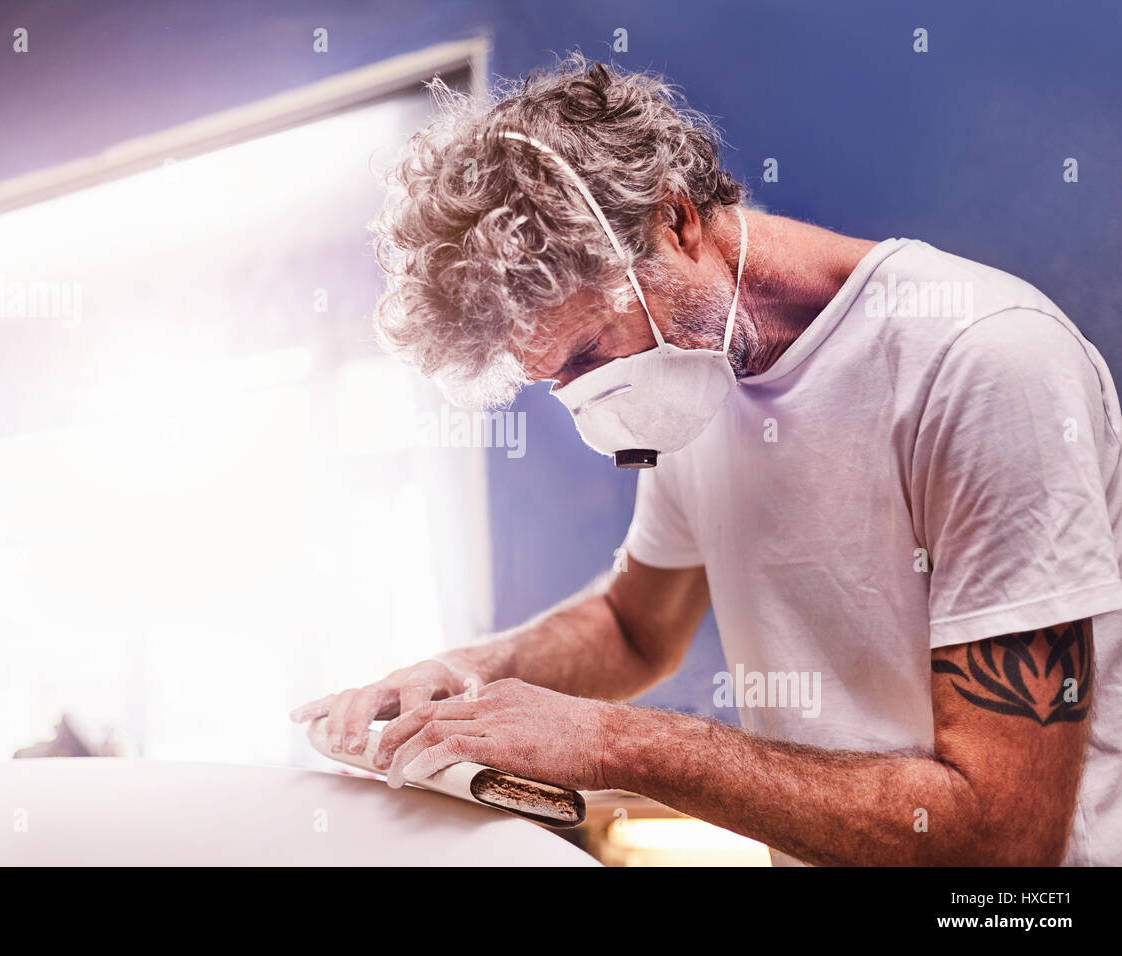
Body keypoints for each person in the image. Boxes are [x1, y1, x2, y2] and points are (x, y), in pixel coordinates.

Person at [292, 56, 1120, 866]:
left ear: (676, 220)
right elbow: (633, 625)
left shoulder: (981, 363)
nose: (592, 400)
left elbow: (1004, 840)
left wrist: (617, 742)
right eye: (557, 383)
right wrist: (465, 675)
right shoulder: (700, 379)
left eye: (591, 352)